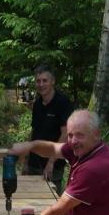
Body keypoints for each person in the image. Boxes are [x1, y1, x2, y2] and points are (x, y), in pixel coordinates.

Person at [5, 109, 109, 215]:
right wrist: (30, 146)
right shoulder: (85, 149)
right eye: (70, 135)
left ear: (96, 134)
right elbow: (52, 148)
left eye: (79, 135)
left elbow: (58, 210)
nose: (73, 141)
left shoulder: (94, 167)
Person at [24, 65, 74, 195]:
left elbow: (65, 135)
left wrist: (51, 162)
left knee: (51, 201)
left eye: (45, 80)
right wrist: (26, 160)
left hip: (53, 165)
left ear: (53, 81)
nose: (41, 84)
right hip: (34, 163)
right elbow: (34, 132)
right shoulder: (37, 104)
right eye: (38, 81)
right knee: (31, 200)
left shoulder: (63, 103)